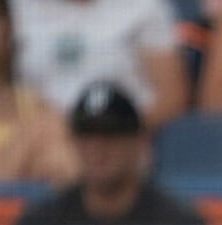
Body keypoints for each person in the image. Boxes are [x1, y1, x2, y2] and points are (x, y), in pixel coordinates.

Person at [17, 81, 203, 225]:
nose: (98, 146)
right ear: (73, 142)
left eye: (111, 133)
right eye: (87, 135)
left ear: (138, 142)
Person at [10, 0, 190, 131]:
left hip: (119, 138)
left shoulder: (143, 6)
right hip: (35, 136)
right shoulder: (15, 9)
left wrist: (115, 133)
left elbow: (172, 98)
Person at [0, 0, 77, 185]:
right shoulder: (43, 122)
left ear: (8, 28)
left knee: (57, 156)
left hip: (18, 205)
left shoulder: (35, 104)